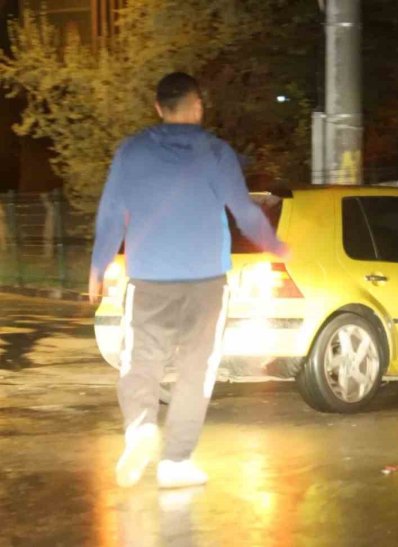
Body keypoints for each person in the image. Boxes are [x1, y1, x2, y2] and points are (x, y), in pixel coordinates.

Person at [89, 72, 288, 488]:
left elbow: (111, 214)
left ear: (159, 108)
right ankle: (176, 462)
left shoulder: (132, 152)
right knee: (197, 369)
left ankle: (141, 426)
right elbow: (245, 211)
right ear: (197, 107)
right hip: (206, 282)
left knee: (141, 361)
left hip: (149, 280)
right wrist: (275, 245)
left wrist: (96, 266)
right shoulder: (216, 153)